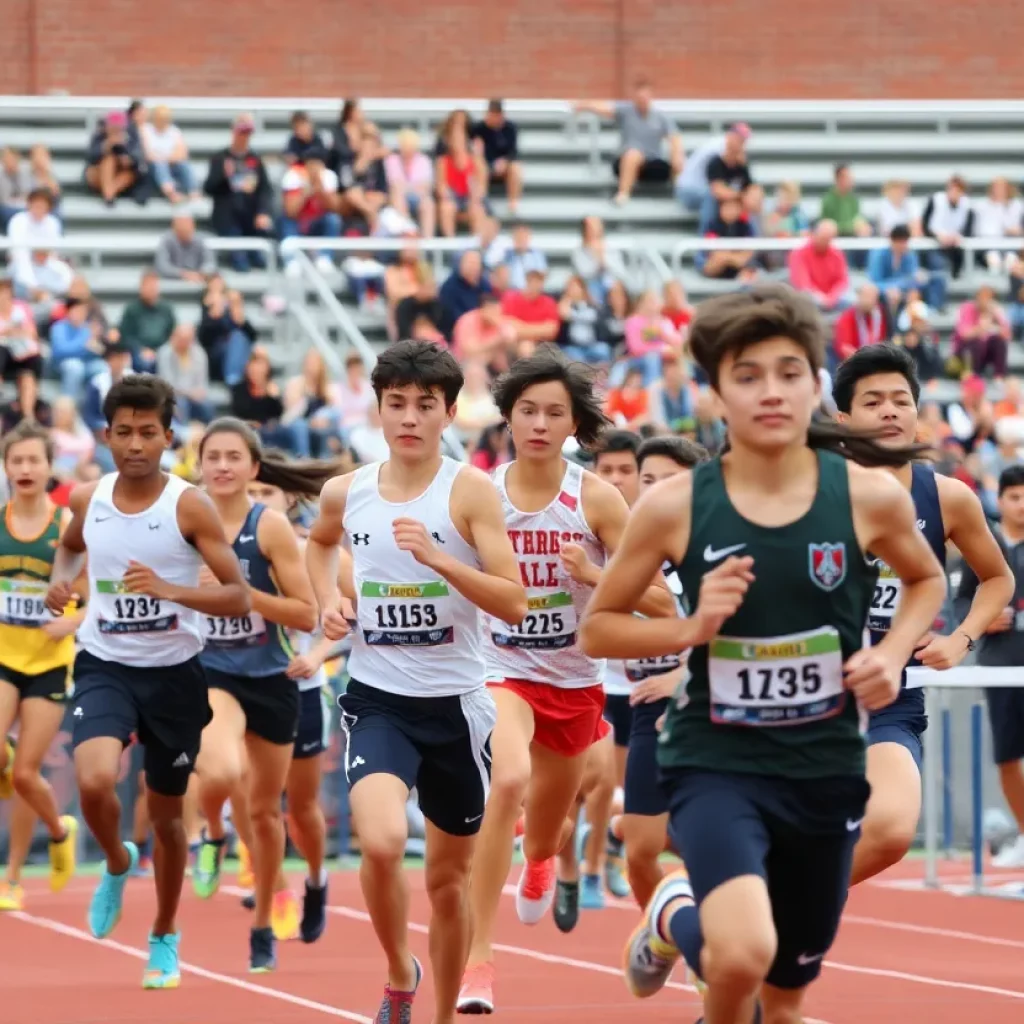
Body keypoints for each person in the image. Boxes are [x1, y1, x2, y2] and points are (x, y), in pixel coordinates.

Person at [579, 284, 948, 1024]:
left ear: (815, 384)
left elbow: (927, 579)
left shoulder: (869, 497)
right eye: (747, 375)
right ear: (715, 392)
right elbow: (600, 628)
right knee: (742, 954)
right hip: (718, 758)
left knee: (781, 1000)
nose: (771, 392)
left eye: (788, 372)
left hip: (824, 765)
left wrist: (895, 651)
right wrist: (690, 630)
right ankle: (691, 919)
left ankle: (673, 915)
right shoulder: (675, 506)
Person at [306, 340, 527, 1024]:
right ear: (377, 410)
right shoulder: (349, 491)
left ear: (448, 412)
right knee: (377, 842)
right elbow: (318, 545)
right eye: (396, 403)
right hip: (379, 702)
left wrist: (439, 560)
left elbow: (512, 600)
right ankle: (400, 968)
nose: (409, 417)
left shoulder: (471, 491)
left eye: (424, 405)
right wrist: (327, 603)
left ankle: (436, 1014)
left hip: (457, 708)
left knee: (446, 881)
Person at [457, 349, 675, 1014]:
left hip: (576, 680)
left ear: (575, 424)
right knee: (509, 782)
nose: (540, 423)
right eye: (528, 410)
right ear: (508, 419)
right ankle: (479, 962)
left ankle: (545, 856)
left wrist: (592, 577)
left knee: (547, 823)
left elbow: (663, 603)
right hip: (501, 671)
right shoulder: (477, 492)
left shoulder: (598, 499)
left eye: (555, 412)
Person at [45, 374, 251, 990]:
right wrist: (62, 584)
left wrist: (172, 591)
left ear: (167, 437)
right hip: (105, 663)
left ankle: (163, 933)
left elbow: (239, 595)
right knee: (93, 779)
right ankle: (114, 859)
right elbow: (70, 548)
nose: (135, 444)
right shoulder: (88, 497)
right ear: (106, 436)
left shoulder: (189, 506)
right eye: (124, 433)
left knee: (166, 821)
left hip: (174, 675)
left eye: (148, 433)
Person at [832, 343, 1013, 884]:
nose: (890, 411)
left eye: (901, 400)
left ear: (917, 413)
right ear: (843, 420)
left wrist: (961, 639)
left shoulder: (948, 497)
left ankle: (780, 909)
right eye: (873, 402)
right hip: (801, 692)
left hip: (890, 694)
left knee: (888, 831)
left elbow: (998, 578)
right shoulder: (810, 490)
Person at [191, 418, 339, 972]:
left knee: (276, 810)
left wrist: (243, 595)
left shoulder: (270, 527)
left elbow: (306, 612)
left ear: (254, 468)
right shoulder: (183, 521)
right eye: (214, 457)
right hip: (213, 673)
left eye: (235, 457)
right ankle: (211, 833)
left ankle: (271, 921)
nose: (224, 467)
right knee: (222, 772)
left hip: (277, 679)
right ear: (200, 465)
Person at [615, 434, 709, 911]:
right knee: (639, 851)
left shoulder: (717, 547)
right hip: (647, 702)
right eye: (646, 479)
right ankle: (667, 932)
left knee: (715, 845)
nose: (653, 490)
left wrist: (688, 676)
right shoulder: (632, 546)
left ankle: (711, 942)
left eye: (668, 481)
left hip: (711, 708)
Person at [0, 421, 83, 910]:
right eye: (17, 461)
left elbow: (97, 601)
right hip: (4, 658)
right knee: (5, 764)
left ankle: (52, 836)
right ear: (6, 468)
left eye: (34, 460)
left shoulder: (65, 530)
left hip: (49, 664)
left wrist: (68, 625)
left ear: (50, 467)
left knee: (27, 775)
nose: (25, 469)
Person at [956, 465, 1024, 867]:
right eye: (1014, 496)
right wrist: (981, 621)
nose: (1022, 504)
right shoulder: (985, 545)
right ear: (999, 501)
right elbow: (963, 600)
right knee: (1007, 756)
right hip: (998, 664)